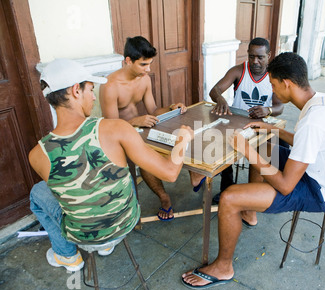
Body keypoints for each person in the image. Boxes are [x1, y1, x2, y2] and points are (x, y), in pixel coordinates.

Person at [181, 52, 325, 289]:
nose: (272, 92)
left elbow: (286, 185)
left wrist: (246, 150)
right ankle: (251, 210)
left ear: (287, 83)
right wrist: (269, 128)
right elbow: (306, 142)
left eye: (273, 85)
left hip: (319, 191)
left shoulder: (313, 121)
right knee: (265, 141)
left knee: (230, 197)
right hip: (319, 170)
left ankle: (223, 267)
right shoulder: (321, 101)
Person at [29, 58, 193, 271]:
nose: (94, 98)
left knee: (37, 193)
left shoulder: (37, 154)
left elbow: (69, 192)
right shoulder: (117, 128)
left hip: (83, 237)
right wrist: (182, 140)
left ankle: (67, 255)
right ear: (75, 91)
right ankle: (99, 247)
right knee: (116, 170)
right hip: (126, 222)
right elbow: (170, 173)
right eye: (90, 90)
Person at [100, 36, 190, 221]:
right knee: (145, 155)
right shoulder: (110, 85)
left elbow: (154, 111)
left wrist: (172, 107)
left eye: (149, 64)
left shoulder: (144, 79)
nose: (148, 69)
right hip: (120, 137)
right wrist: (135, 121)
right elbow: (111, 126)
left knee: (185, 132)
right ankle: (164, 197)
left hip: (142, 129)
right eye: (143, 64)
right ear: (128, 60)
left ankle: (197, 177)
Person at [207, 37, 284, 205]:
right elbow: (215, 90)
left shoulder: (274, 76)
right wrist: (220, 98)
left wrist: (268, 110)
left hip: (261, 125)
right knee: (223, 143)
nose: (255, 61)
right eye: (251, 56)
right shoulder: (238, 71)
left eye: (260, 57)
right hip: (237, 122)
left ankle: (258, 191)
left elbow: (279, 107)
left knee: (273, 147)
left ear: (268, 55)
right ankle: (226, 187)